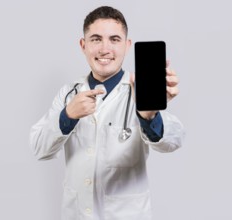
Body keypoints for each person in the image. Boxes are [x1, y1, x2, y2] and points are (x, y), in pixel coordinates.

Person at [30, 6, 184, 220]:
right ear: (83, 45)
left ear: (127, 45)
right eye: (95, 39)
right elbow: (39, 148)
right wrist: (67, 116)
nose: (105, 49)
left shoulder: (141, 90)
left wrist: (149, 116)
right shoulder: (68, 94)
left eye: (114, 39)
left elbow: (173, 141)